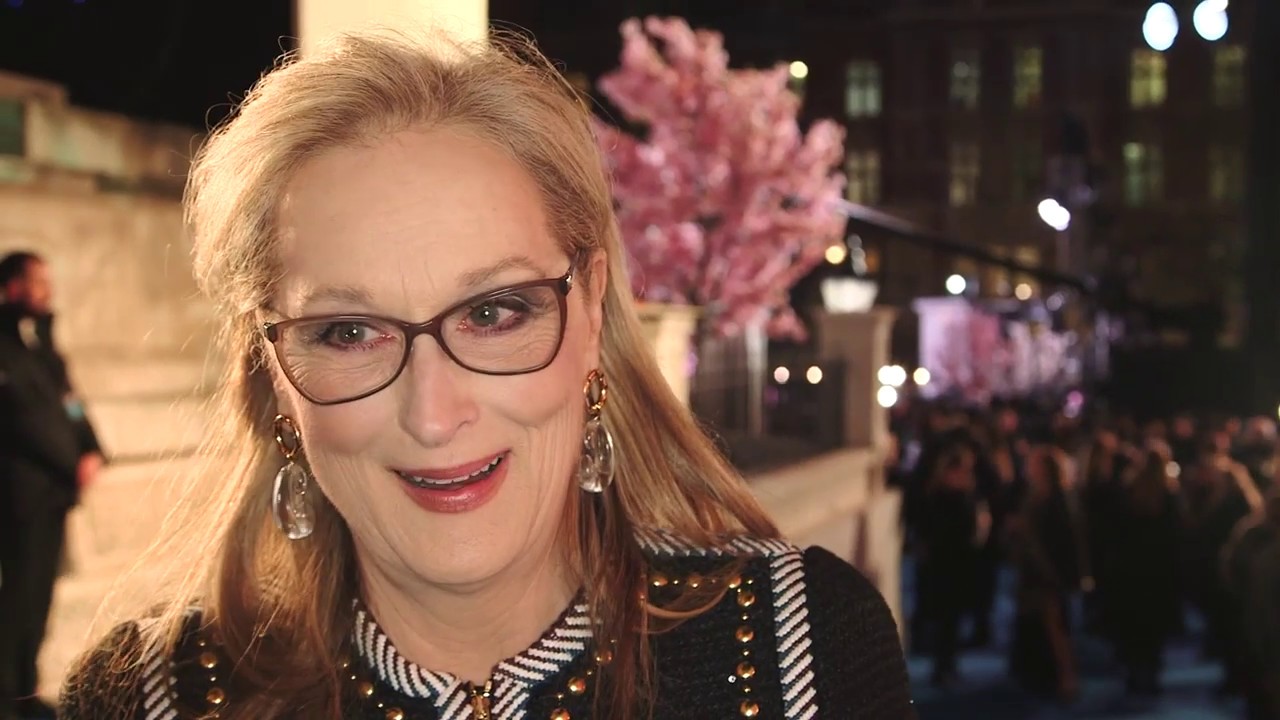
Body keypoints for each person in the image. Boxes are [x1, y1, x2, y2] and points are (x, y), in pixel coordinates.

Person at [57, 30, 914, 719]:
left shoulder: (801, 651)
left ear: (589, 315)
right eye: (349, 331)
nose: (433, 413)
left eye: (495, 312)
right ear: (273, 372)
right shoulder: (146, 699)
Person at [0, 251, 105, 720]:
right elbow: (25, 419)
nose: (48, 289)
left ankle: (23, 689)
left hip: (53, 494)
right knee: (18, 596)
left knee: (40, 593)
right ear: (12, 288)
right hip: (20, 494)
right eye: (37, 281)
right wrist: (70, 460)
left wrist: (91, 448)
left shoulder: (41, 347)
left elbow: (70, 403)